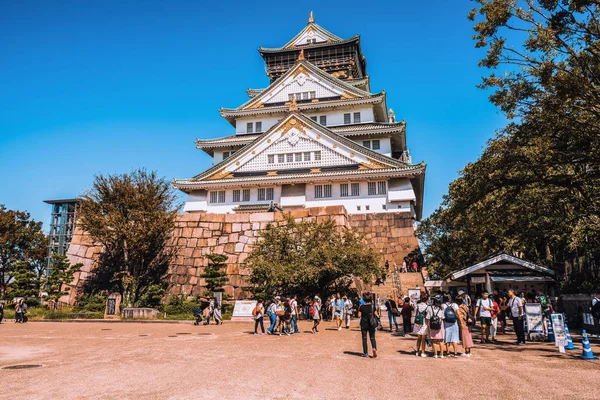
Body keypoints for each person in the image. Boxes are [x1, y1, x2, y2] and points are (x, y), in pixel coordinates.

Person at [358, 294, 378, 358]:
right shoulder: (372, 306)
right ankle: (374, 348)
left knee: (364, 338)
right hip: (371, 323)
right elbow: (376, 314)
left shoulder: (361, 306)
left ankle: (366, 353)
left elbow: (359, 315)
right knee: (372, 337)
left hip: (364, 323)